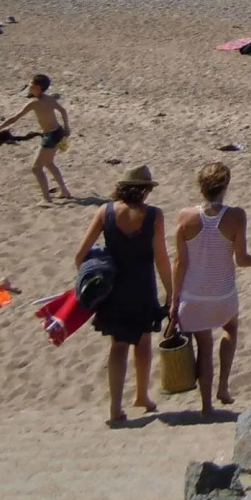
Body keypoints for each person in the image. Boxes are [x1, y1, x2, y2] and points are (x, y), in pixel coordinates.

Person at [170, 162, 251, 418]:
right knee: (230, 329)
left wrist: (174, 300)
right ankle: (223, 388)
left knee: (204, 347)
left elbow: (179, 263)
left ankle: (206, 406)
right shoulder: (236, 216)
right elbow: (241, 260)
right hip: (223, 295)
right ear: (225, 186)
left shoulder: (185, 217)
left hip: (192, 296)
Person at [74, 166, 173, 424]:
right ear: (144, 189)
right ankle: (142, 395)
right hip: (142, 286)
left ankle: (115, 407)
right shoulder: (153, 215)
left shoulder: (105, 212)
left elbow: (80, 254)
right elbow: (161, 258)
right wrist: (171, 292)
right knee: (143, 341)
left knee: (118, 345)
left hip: (114, 288)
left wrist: (91, 278)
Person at [0, 73, 72, 202]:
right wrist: (67, 127)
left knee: (36, 168)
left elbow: (13, 119)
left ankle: (47, 199)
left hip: (50, 135)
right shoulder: (49, 99)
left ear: (36, 87)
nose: (28, 85)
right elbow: (63, 111)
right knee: (49, 163)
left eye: (30, 83)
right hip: (58, 132)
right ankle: (65, 191)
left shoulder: (34, 103)